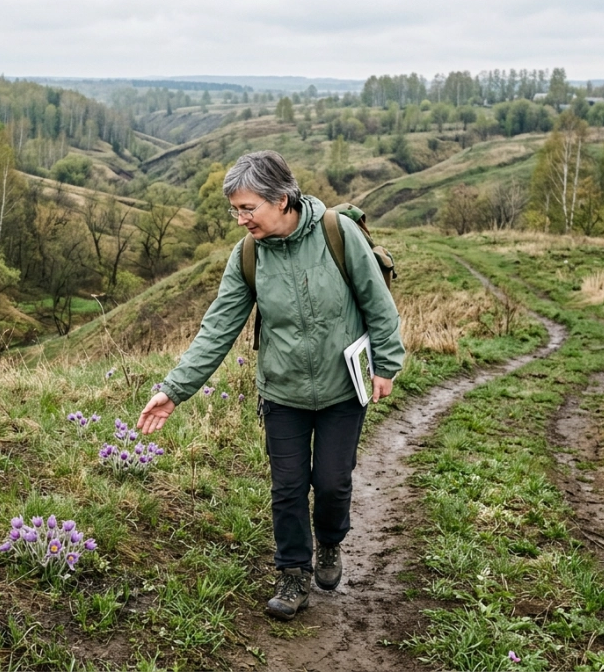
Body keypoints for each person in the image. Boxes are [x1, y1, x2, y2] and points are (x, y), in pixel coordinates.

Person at [136, 150, 405, 620]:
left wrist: (386, 364)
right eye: (234, 210)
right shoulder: (247, 256)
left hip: (343, 389)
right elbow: (217, 328)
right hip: (282, 392)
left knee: (332, 482)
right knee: (288, 487)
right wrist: (174, 389)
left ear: (281, 199)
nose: (240, 220)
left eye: (247, 208)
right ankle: (293, 574)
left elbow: (377, 302)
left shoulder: (337, 233)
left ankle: (330, 541)